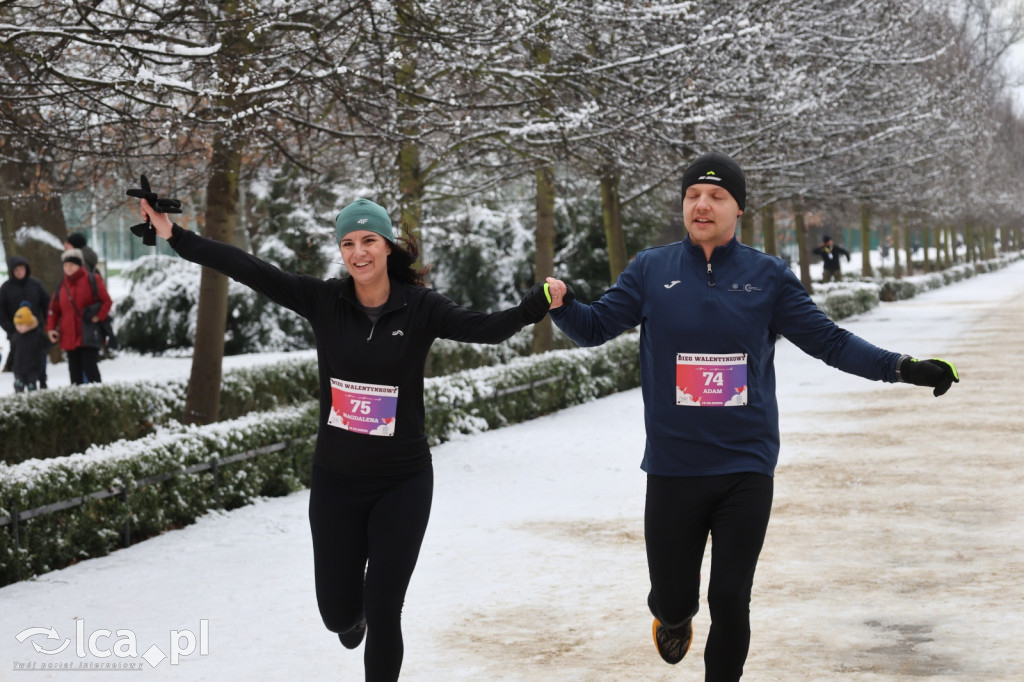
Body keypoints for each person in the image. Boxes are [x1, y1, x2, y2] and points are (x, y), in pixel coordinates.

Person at [544, 151, 959, 682]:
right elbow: (597, 326)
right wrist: (561, 304)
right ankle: (673, 616)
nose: (702, 204)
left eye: (717, 196)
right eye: (693, 195)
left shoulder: (768, 276)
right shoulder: (651, 269)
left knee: (731, 596)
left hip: (746, 465)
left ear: (738, 208)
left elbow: (829, 341)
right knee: (673, 596)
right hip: (674, 467)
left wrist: (902, 367)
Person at [135, 194, 552, 682]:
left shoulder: (421, 307)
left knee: (385, 606)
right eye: (348, 242)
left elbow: (487, 329)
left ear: (388, 245)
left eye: (369, 240)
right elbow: (248, 267)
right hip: (337, 481)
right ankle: (350, 617)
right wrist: (174, 233)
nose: (359, 252)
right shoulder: (323, 300)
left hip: (403, 480)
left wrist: (536, 304)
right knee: (338, 615)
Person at [46, 249, 113, 385]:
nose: (68, 268)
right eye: (66, 265)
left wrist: (98, 317)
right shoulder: (62, 286)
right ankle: (78, 401)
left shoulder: (93, 280)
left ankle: (97, 400)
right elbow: (54, 309)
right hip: (69, 335)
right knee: (74, 372)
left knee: (90, 368)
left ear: (79, 265)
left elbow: (107, 301)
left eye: (72, 265)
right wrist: (51, 328)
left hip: (88, 333)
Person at [1, 256, 51, 386]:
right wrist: (11, 329)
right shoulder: (6, 288)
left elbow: (46, 305)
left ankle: (42, 381)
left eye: (22, 269)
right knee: (19, 359)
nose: (19, 272)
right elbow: (1, 311)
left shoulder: (36, 285)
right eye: (16, 269)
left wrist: (45, 325)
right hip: (16, 333)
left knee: (40, 358)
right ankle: (21, 382)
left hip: (36, 331)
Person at [10, 302, 50, 392]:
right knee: (18, 386)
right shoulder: (15, 336)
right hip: (18, 368)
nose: (19, 327)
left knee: (32, 388)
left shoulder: (36, 335)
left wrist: (52, 340)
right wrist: (10, 363)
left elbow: (46, 345)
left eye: (22, 325)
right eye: (17, 325)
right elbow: (12, 351)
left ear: (29, 324)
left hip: (32, 368)